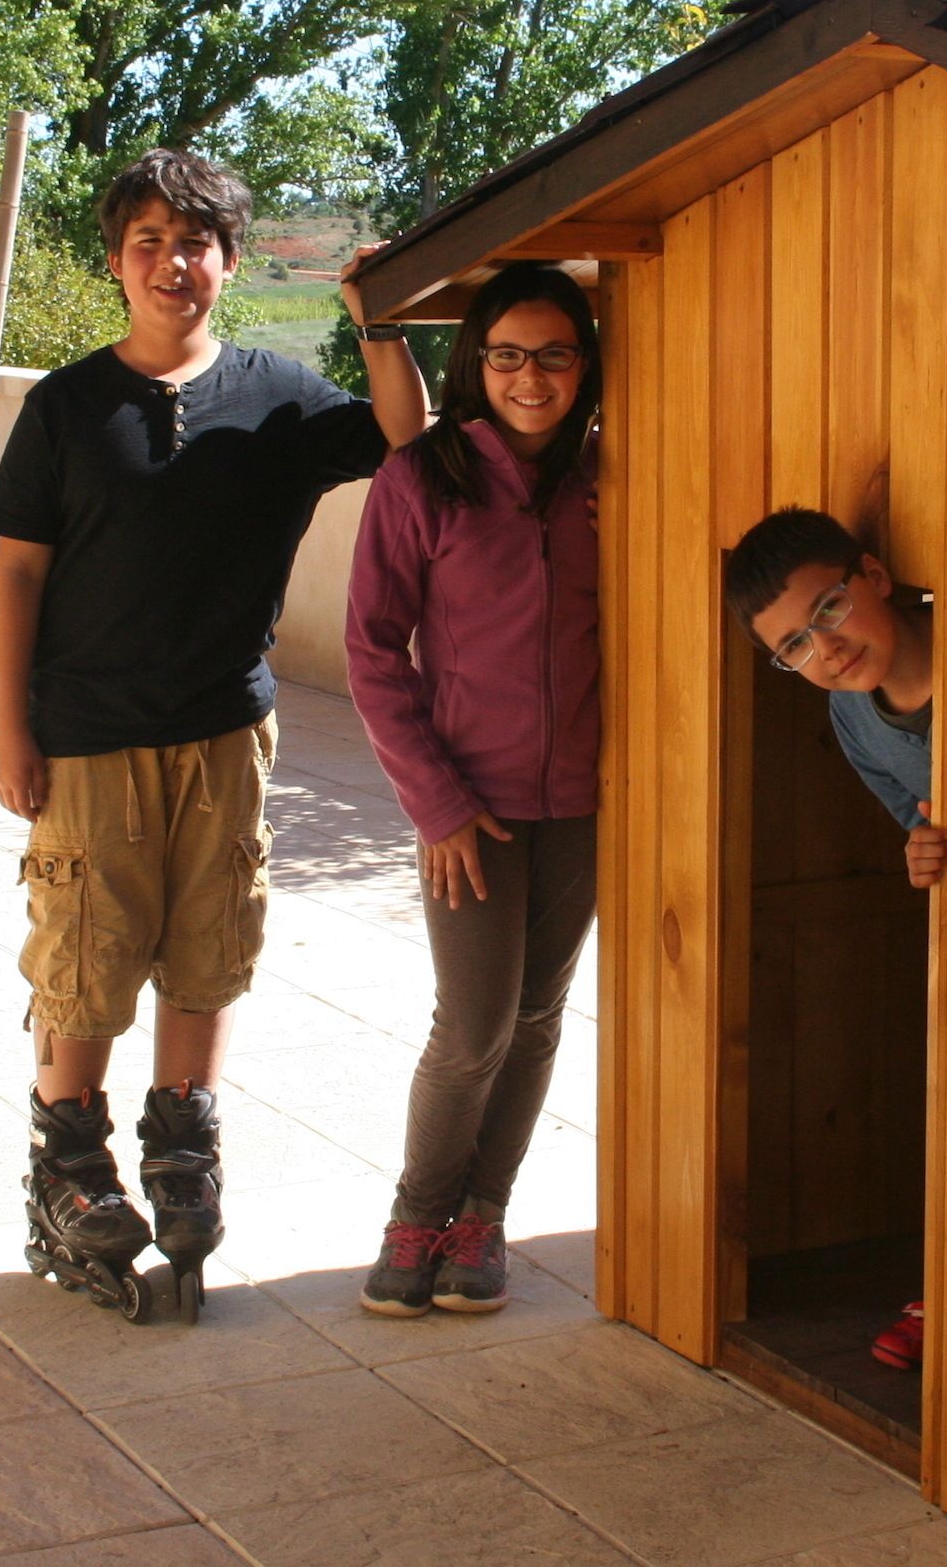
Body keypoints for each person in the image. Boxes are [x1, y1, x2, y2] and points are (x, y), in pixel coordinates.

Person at [0, 148, 428, 1320]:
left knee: (210, 941)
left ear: (227, 261)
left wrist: (377, 321)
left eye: (195, 243)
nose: (172, 264)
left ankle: (183, 1144)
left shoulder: (282, 399)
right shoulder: (68, 408)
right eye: (148, 244)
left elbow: (403, 437)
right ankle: (68, 1166)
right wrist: (7, 728)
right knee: (86, 947)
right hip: (85, 736)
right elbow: (16, 575)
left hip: (226, 732)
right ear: (118, 262)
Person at [346, 265, 604, 1317]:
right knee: (474, 1024)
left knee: (538, 1015)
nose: (529, 377)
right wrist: (437, 805)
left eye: (553, 354)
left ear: (586, 365)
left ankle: (480, 1218)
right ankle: (417, 1215)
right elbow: (371, 652)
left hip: (582, 802)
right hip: (472, 807)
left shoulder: (608, 476)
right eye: (507, 355)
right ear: (475, 363)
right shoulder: (424, 478)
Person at [720, 505, 941, 1369]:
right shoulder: (855, 717)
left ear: (875, 578)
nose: (825, 649)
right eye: (794, 649)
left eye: (828, 611)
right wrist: (925, 854)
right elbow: (919, 828)